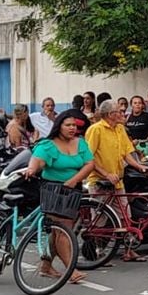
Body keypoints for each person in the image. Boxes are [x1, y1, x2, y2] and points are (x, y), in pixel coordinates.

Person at [24, 109, 94, 284]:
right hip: (53, 191)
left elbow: (89, 164)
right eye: (67, 125)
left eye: (74, 125)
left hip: (72, 190)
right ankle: (71, 270)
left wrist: (73, 180)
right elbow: (37, 160)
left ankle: (46, 266)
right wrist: (31, 169)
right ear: (59, 126)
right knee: (63, 230)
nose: (72, 128)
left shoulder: (80, 143)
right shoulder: (48, 145)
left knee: (58, 232)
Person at [87, 100, 148, 260]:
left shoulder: (120, 129)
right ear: (110, 114)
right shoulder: (95, 130)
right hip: (99, 181)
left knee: (125, 215)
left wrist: (139, 166)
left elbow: (126, 153)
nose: (122, 113)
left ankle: (128, 250)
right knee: (100, 218)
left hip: (117, 181)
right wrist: (105, 174)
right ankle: (97, 253)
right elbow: (88, 158)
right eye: (118, 111)